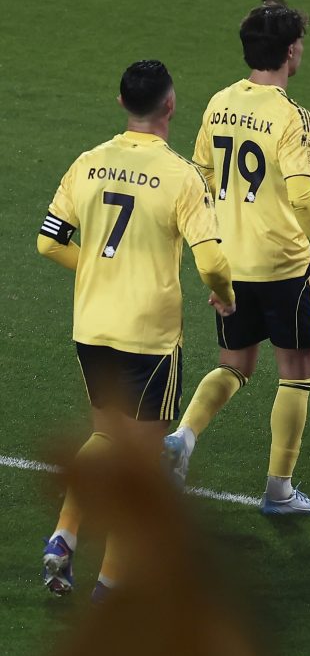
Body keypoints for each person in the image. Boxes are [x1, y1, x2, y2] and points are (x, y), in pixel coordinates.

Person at [38, 60, 235, 599]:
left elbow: (49, 240)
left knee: (104, 435)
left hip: (92, 325)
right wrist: (226, 293)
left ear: (121, 103)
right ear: (170, 106)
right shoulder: (182, 177)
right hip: (147, 337)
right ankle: (110, 587)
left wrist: (100, 270)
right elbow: (213, 261)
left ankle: (63, 536)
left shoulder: (88, 163)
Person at [163, 0, 310, 516]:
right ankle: (279, 491)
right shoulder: (292, 116)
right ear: (290, 52)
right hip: (285, 264)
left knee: (235, 364)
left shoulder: (219, 102)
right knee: (296, 371)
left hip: (231, 264)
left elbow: (199, 181)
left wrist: (211, 260)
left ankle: (184, 437)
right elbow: (302, 194)